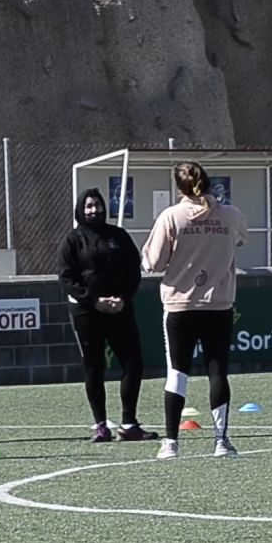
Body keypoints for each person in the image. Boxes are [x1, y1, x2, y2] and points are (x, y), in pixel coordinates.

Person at [142, 161, 247, 459]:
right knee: (218, 371)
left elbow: (153, 262)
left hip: (180, 304)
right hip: (219, 303)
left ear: (179, 188)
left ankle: (171, 442)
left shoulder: (171, 217)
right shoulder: (230, 215)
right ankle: (221, 441)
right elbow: (241, 237)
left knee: (177, 372)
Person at [58, 188, 158, 443]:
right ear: (81, 209)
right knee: (94, 368)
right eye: (89, 206)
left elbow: (133, 270)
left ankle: (129, 424)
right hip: (86, 312)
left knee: (133, 363)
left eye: (97, 205)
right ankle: (100, 425)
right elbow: (66, 278)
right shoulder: (73, 240)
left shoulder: (119, 236)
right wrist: (93, 300)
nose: (94, 210)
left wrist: (122, 298)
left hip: (119, 309)